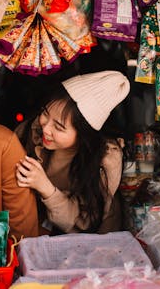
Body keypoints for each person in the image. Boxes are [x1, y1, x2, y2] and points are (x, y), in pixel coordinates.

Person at [14, 70, 130, 234]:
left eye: (59, 127)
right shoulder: (32, 131)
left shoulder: (106, 160)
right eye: (45, 114)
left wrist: (46, 188)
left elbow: (85, 223)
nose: (46, 129)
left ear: (84, 135)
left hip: (90, 241)